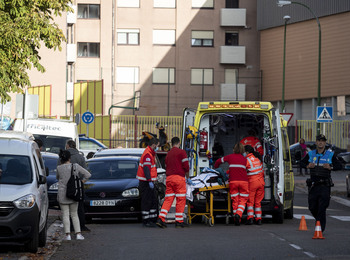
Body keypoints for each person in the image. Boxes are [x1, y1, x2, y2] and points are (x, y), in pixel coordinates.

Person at [300, 134, 342, 232]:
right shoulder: (311, 154)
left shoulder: (330, 154)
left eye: (322, 141)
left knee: (322, 207)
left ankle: (320, 227)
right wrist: (307, 166)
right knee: (312, 207)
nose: (320, 142)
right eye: (319, 140)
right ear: (316, 142)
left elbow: (339, 166)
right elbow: (301, 163)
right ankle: (318, 220)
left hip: (325, 185)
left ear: (325, 143)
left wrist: (330, 167)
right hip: (314, 185)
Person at [56, 150, 91, 241]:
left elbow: (57, 177)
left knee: (65, 215)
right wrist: (81, 182)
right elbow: (88, 174)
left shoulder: (59, 168)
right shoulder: (75, 166)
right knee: (74, 214)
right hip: (74, 193)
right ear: (69, 158)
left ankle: (68, 235)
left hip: (63, 194)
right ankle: (78, 234)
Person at [156, 137, 190, 229]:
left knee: (168, 199)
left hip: (169, 179)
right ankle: (179, 221)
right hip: (179, 178)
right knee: (180, 199)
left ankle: (161, 218)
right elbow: (186, 166)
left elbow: (166, 166)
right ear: (178, 143)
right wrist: (188, 177)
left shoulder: (168, 154)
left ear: (171, 143)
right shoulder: (182, 152)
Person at [214, 142, 248, 226]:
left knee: (235, 199)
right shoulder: (245, 159)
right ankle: (238, 215)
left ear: (234, 149)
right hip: (244, 182)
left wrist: (216, 168)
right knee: (243, 200)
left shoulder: (230, 157)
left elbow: (219, 161)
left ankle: (236, 217)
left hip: (233, 182)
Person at [61, 140, 90, 232]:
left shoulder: (63, 157)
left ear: (68, 146)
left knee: (67, 208)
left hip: (66, 185)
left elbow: (59, 173)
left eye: (66, 145)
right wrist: (82, 181)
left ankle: (69, 227)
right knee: (79, 206)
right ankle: (81, 225)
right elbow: (86, 171)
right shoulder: (81, 157)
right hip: (78, 185)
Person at [137, 137, 160, 227]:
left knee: (152, 201)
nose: (157, 147)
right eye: (157, 146)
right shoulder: (148, 154)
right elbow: (146, 169)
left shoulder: (150, 153)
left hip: (148, 181)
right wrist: (149, 180)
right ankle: (146, 220)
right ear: (153, 145)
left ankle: (152, 219)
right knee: (147, 201)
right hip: (146, 182)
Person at [244, 145, 265, 225]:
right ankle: (259, 219)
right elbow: (261, 171)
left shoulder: (247, 160)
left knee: (250, 202)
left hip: (253, 182)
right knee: (258, 202)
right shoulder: (257, 159)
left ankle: (250, 218)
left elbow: (243, 170)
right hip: (261, 182)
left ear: (247, 152)